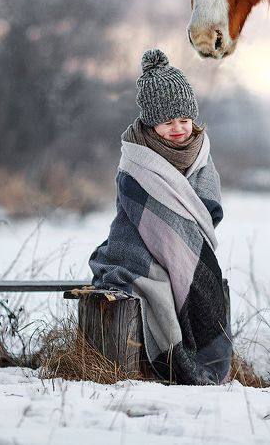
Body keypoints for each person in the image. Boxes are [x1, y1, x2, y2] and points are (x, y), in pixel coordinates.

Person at [89, 48, 230, 385]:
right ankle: (175, 363)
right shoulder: (137, 162)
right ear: (152, 123)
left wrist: (185, 239)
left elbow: (206, 208)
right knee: (161, 289)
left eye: (184, 119)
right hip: (140, 248)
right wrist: (175, 241)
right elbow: (144, 218)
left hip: (192, 249)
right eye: (168, 122)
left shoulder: (201, 154)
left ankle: (206, 359)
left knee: (203, 282)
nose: (179, 128)